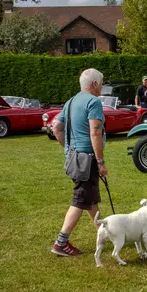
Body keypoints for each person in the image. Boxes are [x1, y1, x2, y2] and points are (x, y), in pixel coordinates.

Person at [51, 68, 108, 257]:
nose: (102, 86)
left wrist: (67, 149)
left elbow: (56, 127)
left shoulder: (71, 101)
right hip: (87, 160)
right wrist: (100, 162)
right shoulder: (93, 102)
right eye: (101, 82)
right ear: (94, 84)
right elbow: (95, 132)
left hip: (74, 157)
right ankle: (61, 242)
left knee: (91, 200)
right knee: (80, 200)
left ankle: (104, 235)